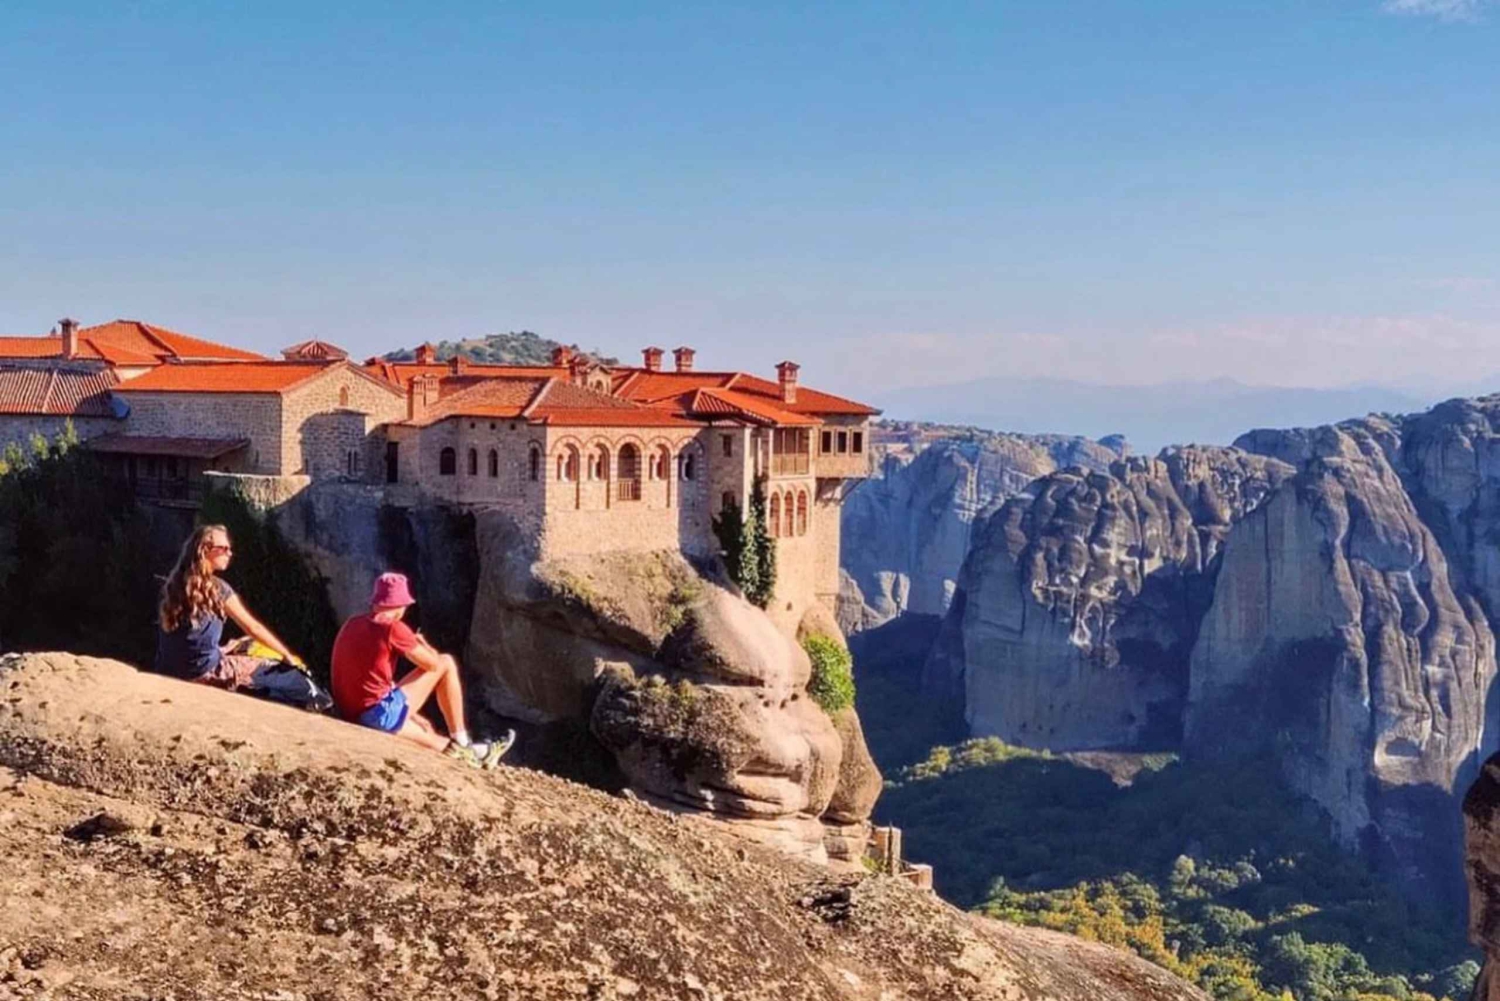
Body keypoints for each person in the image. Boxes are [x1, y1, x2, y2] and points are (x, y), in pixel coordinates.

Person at [330, 572, 512, 768]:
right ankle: (462, 739)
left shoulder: (352, 623)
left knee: (431, 737)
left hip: (352, 713)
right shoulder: (393, 628)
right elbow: (432, 665)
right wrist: (423, 644)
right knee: (447, 662)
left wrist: (413, 714)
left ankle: (477, 752)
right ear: (401, 605)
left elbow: (370, 678)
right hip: (378, 715)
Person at [155, 524, 323, 707]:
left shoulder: (174, 585)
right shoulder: (218, 589)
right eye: (224, 549)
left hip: (168, 669)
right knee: (285, 675)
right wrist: (286, 655)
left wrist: (223, 649)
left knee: (240, 643)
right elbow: (253, 627)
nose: (230, 553)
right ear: (206, 551)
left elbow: (190, 640)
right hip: (204, 673)